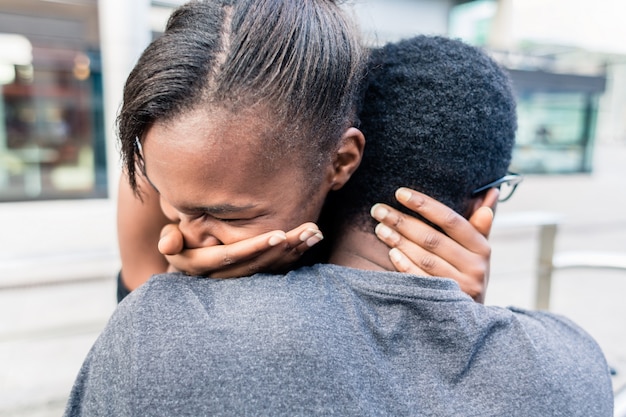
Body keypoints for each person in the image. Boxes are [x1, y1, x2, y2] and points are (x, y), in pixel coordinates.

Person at [64, 34, 613, 416]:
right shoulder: (574, 363)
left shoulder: (153, 332)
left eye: (223, 211)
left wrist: (180, 296)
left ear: (337, 171)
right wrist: (453, 319)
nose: (186, 231)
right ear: (485, 202)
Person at [114, 0, 494, 302]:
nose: (186, 234)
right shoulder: (153, 172)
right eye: (174, 203)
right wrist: (176, 288)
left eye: (224, 215)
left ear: (341, 162)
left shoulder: (366, 197)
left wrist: (457, 311)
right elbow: (142, 333)